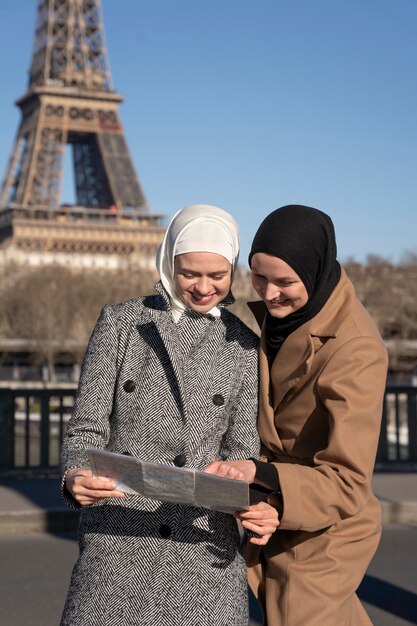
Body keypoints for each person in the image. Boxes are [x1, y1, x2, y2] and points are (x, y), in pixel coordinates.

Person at [59, 204, 279, 626]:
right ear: (167, 262)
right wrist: (73, 477)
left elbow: (242, 452)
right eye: (189, 273)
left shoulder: (246, 344)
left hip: (204, 555)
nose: (203, 287)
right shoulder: (121, 323)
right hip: (118, 546)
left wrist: (251, 501)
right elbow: (86, 429)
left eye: (218, 276)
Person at [205, 205, 389, 625]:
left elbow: (348, 480)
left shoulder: (355, 348)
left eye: (285, 282)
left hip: (328, 524)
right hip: (279, 506)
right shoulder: (286, 317)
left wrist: (262, 476)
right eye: (259, 276)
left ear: (315, 270)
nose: (268, 294)